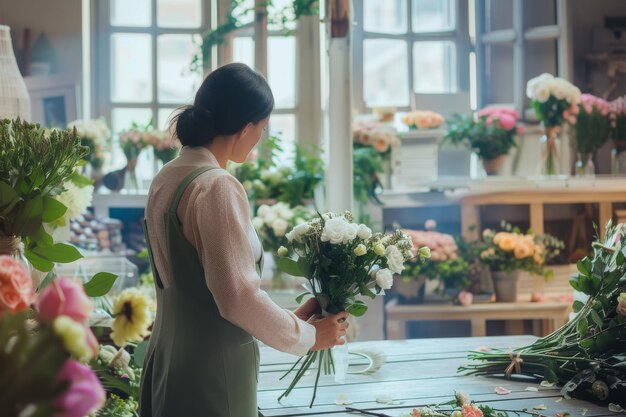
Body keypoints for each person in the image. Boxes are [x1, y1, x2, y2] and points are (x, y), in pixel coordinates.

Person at [139, 63, 348, 417]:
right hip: (213, 370)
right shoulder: (217, 186)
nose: (259, 138)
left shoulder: (167, 177)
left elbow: (204, 293)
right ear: (247, 126)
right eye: (262, 129)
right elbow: (236, 298)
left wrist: (290, 320)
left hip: (166, 360)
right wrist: (310, 338)